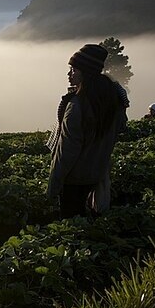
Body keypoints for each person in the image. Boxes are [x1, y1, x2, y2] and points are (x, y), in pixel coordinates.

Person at [47, 44, 129, 218]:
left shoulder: (76, 105)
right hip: (97, 173)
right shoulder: (112, 101)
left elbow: (67, 150)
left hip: (74, 178)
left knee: (72, 222)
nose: (69, 74)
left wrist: (54, 185)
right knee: (91, 219)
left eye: (74, 69)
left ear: (86, 72)